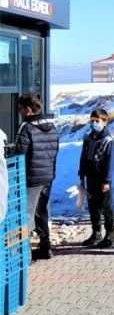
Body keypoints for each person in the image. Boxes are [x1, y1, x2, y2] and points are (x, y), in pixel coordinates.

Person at [15, 93, 59, 260]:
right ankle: (45, 246)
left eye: (20, 109)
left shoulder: (26, 127)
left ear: (28, 110)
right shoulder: (52, 127)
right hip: (48, 175)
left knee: (27, 214)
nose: (19, 112)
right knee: (42, 211)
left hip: (31, 177)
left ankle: (25, 253)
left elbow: (20, 152)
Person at [78, 109, 114, 248]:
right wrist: (81, 173)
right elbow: (84, 157)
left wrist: (107, 180)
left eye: (97, 121)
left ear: (104, 122)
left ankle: (110, 234)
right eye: (92, 120)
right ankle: (96, 232)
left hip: (102, 179)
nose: (94, 123)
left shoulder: (108, 140)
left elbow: (109, 162)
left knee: (106, 206)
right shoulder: (88, 138)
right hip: (91, 177)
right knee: (93, 206)